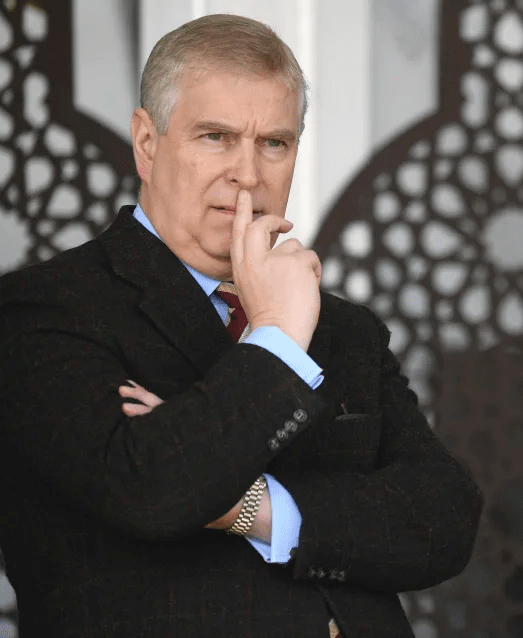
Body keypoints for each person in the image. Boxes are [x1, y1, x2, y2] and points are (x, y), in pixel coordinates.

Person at [0, 14, 482, 637]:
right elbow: (150, 488)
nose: (248, 174)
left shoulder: (344, 328)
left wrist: (252, 506)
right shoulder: (44, 307)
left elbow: (445, 520)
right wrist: (277, 338)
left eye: (274, 143)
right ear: (146, 144)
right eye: (216, 137)